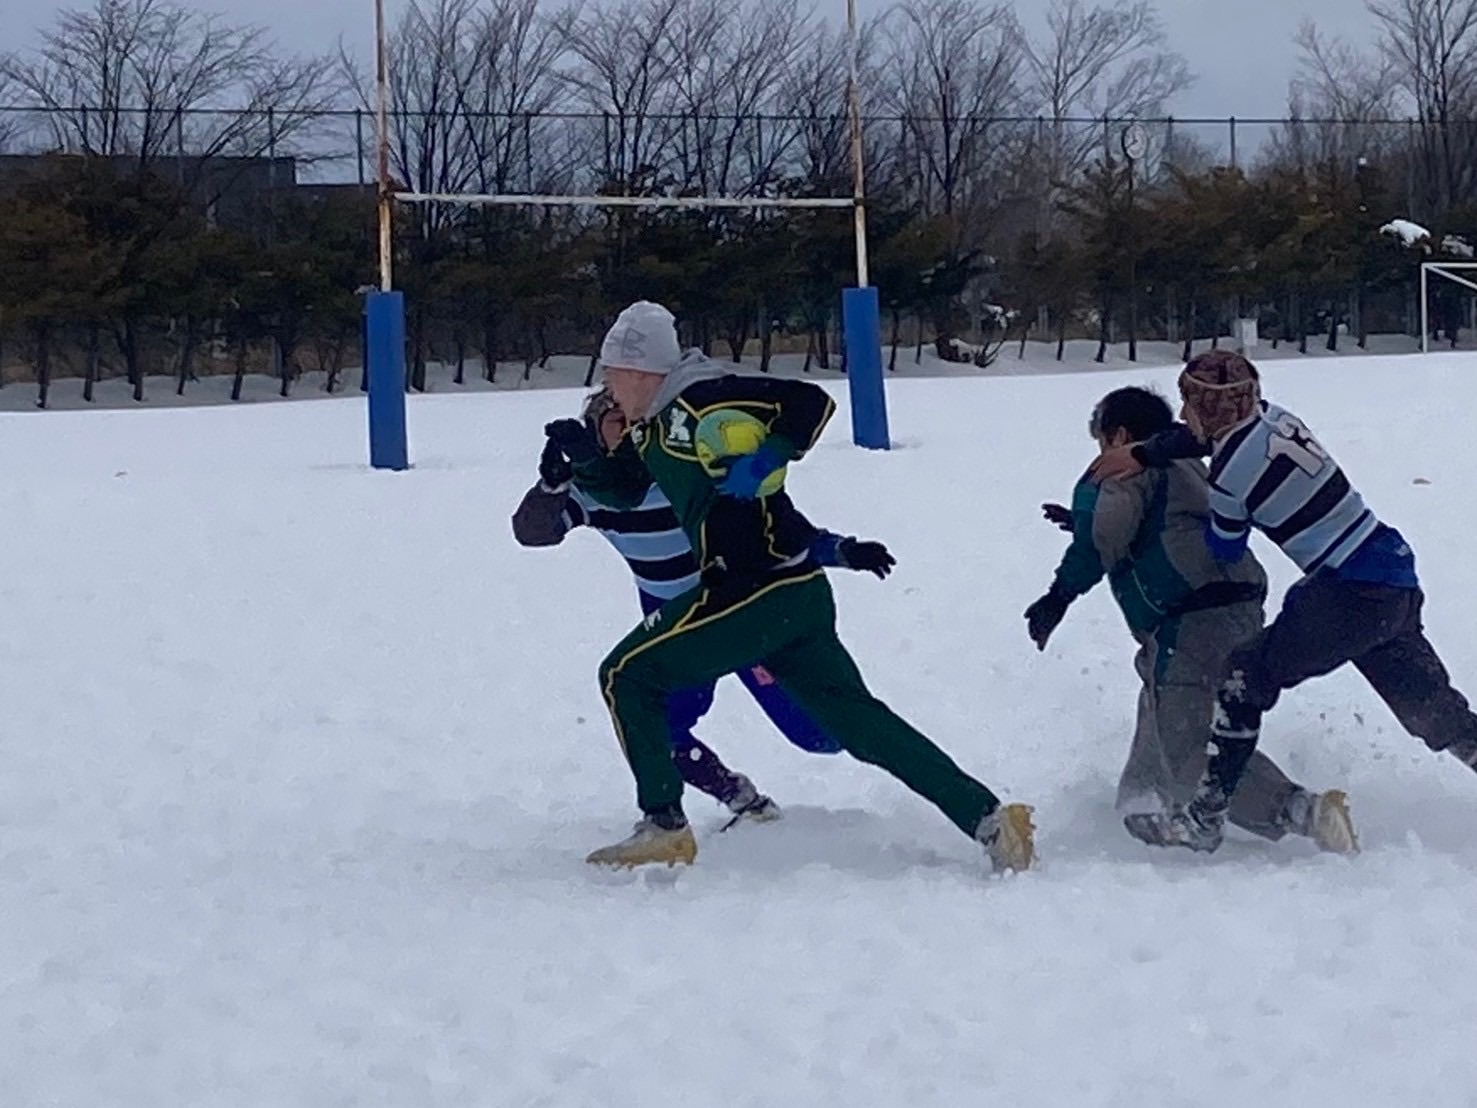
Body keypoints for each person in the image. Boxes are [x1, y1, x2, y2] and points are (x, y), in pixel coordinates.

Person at [550, 300, 1035, 871]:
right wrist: (582, 461)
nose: (609, 388)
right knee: (861, 723)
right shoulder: (653, 425)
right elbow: (626, 489)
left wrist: (769, 457)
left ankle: (664, 826)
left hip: (749, 592)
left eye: (611, 373)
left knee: (626, 674)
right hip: (795, 591)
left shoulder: (703, 396)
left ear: (638, 369)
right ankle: (991, 820)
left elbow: (809, 401)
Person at [1089, 350, 1477, 853]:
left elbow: (1225, 547)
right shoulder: (1276, 419)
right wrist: (1144, 454)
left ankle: (1203, 818)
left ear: (1209, 410)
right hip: (1392, 577)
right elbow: (1200, 439)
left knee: (1241, 680)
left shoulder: (1230, 475)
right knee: (1433, 711)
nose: (1181, 415)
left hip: (1346, 591)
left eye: (1189, 404)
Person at [513, 385, 887, 827]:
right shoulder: (594, 491)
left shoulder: (684, 468)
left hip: (742, 610)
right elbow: (533, 532)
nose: (629, 431)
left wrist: (839, 551)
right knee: (656, 726)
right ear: (595, 434)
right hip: (677, 630)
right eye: (616, 423)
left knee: (821, 736)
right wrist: (551, 486)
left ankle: (906, 760)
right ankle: (737, 796)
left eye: (636, 421)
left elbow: (773, 530)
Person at [1024, 386, 1357, 852]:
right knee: (1159, 698)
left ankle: (1300, 809)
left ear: (1119, 435)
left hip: (1191, 616)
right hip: (1237, 602)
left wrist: (1057, 597)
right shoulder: (1189, 465)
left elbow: (1103, 538)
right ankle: (1143, 804)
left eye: (1101, 440)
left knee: (1188, 744)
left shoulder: (1124, 468)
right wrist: (1086, 521)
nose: (1101, 453)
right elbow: (1162, 520)